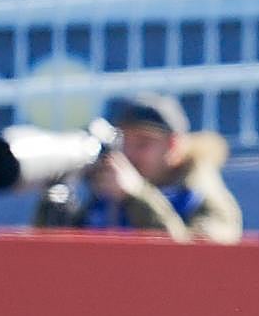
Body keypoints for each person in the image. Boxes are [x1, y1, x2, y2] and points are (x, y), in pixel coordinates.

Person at [33, 93, 243, 243]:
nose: (129, 154)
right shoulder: (107, 193)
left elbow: (196, 265)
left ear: (173, 145)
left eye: (143, 144)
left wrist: (137, 195)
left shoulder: (205, 199)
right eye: (123, 142)